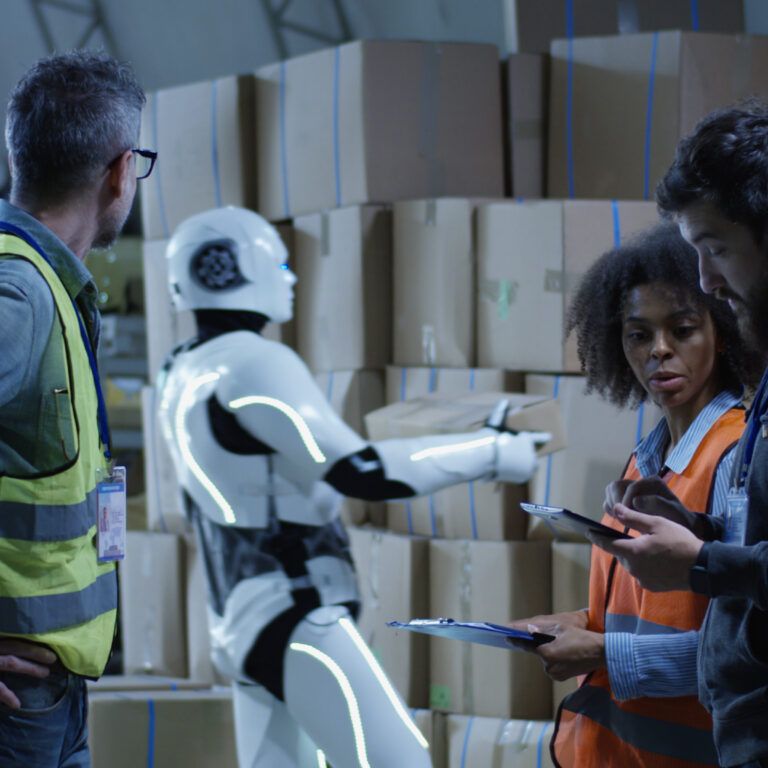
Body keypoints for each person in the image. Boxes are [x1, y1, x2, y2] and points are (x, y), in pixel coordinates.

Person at [156, 205, 549, 768]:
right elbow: (362, 471)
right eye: (280, 263)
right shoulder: (253, 363)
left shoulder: (181, 369)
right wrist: (493, 451)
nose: (290, 279)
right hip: (292, 609)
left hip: (238, 618)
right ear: (228, 269)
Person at [509, 223, 760, 767]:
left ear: (721, 331)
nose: (660, 351)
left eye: (683, 330)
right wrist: (577, 623)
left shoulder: (737, 461)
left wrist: (600, 651)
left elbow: (744, 648)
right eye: (638, 335)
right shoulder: (644, 461)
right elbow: (652, 610)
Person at [589, 102, 768, 768]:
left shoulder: (731, 440)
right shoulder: (648, 459)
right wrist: (699, 531)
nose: (709, 280)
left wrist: (699, 560)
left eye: (716, 249)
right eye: (638, 336)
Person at [0, 51, 148, 767]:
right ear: (121, 171)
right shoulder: (20, 294)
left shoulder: (50, 288)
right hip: (15, 706)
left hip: (49, 692)